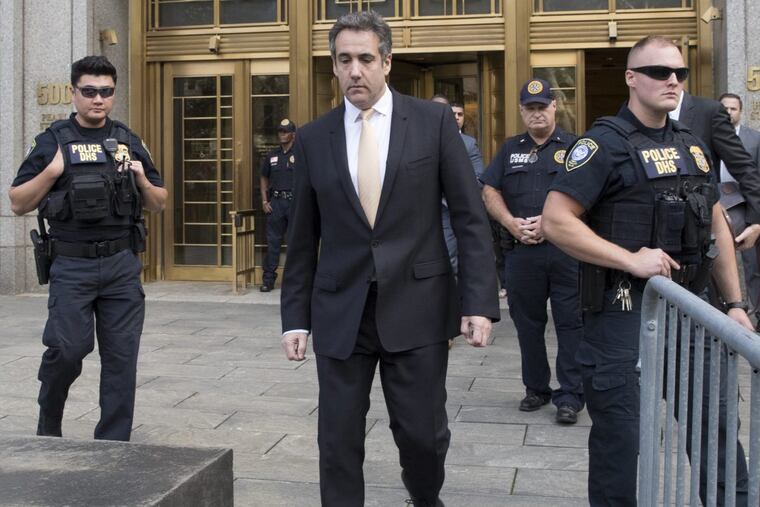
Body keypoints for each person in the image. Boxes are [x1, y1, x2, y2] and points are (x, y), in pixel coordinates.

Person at [279, 11, 499, 507]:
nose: (354, 70)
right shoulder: (313, 138)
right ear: (334, 66)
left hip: (418, 307)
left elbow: (470, 218)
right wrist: (294, 318)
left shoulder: (432, 123)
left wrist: (479, 303)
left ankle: (424, 498)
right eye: (344, 60)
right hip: (341, 311)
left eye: (364, 58)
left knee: (423, 437)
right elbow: (303, 236)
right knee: (336, 440)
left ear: (387, 61)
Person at [542, 36, 753, 506]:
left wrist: (735, 304)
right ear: (631, 78)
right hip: (622, 312)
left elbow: (715, 223)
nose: (672, 80)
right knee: (622, 442)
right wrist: (630, 259)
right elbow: (556, 220)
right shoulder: (602, 144)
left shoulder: (692, 145)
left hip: (692, 312)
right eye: (658, 72)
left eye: (679, 72)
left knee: (717, 434)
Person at [8, 56, 167, 441]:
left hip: (120, 265)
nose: (98, 99)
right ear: (73, 92)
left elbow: (159, 202)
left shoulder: (128, 140)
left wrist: (142, 179)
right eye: (90, 91)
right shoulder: (52, 140)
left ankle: (113, 444)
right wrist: (52, 170)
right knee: (67, 350)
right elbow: (17, 203)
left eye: (106, 92)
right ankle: (49, 421)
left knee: (121, 359)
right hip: (72, 265)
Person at [481, 78, 583, 424]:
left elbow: (591, 193)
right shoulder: (510, 149)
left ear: (555, 107)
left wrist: (553, 223)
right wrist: (510, 223)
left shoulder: (576, 148)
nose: (537, 113)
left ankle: (570, 396)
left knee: (571, 324)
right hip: (522, 252)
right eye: (530, 108)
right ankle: (536, 388)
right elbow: (490, 190)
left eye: (542, 106)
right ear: (522, 111)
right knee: (527, 324)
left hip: (566, 251)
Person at [672, 89, 760, 251]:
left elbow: (744, 166)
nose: (670, 80)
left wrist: (756, 219)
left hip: (700, 227)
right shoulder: (629, 117)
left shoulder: (708, 112)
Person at [718, 93, 760, 313]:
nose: (728, 112)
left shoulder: (755, 138)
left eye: (733, 109)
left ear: (741, 112)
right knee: (717, 258)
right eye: (724, 108)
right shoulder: (707, 134)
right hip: (717, 203)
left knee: (751, 262)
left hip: (745, 205)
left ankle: (755, 308)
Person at [259, 118, 296, 292]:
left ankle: (294, 281)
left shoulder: (300, 154)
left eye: (285, 131)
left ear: (293, 134)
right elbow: (264, 177)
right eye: (280, 131)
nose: (282, 134)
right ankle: (268, 279)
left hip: (294, 203)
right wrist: (264, 200)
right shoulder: (272, 155)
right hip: (276, 203)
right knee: (273, 242)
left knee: (295, 243)